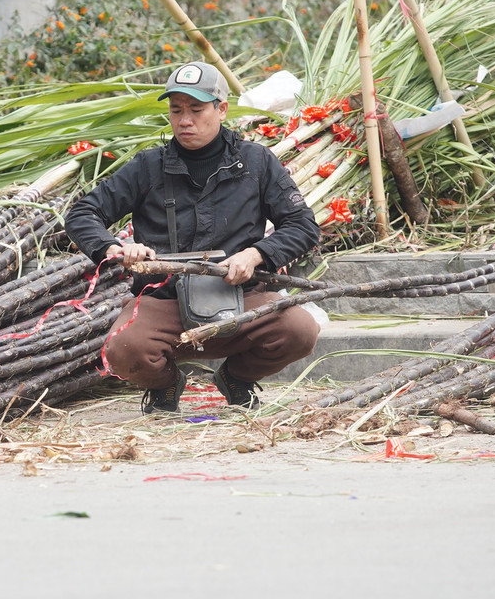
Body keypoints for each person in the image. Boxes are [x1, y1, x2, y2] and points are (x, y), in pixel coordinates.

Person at [65, 61, 321, 414]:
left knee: (300, 330)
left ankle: (236, 378)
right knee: (123, 350)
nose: (185, 120)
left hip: (240, 300)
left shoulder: (256, 163)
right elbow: (82, 214)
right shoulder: (147, 166)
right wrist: (115, 247)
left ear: (222, 110)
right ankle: (165, 386)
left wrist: (256, 254)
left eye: (197, 110)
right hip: (165, 302)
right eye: (176, 110)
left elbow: (303, 225)